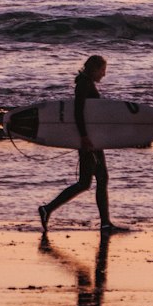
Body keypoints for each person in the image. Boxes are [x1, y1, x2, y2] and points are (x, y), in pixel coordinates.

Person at [38, 55, 128, 234]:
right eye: (102, 70)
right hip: (89, 141)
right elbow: (78, 112)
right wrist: (84, 137)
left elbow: (89, 113)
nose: (104, 74)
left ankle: (47, 209)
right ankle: (105, 224)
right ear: (94, 69)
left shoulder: (86, 83)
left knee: (85, 182)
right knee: (100, 179)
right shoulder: (84, 85)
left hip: (92, 139)